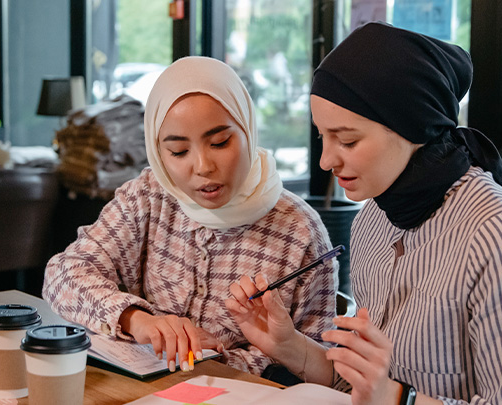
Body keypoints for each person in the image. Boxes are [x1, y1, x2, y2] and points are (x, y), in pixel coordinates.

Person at [226, 22, 502, 404]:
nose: (326, 159)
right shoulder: (372, 220)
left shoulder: (499, 234)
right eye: (323, 136)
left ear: (412, 126)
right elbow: (361, 388)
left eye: (348, 140)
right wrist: (288, 344)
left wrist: (399, 398)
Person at [43, 56, 338, 376]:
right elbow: (62, 274)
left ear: (249, 130)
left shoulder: (299, 231)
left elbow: (320, 368)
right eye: (179, 151)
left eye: (220, 142)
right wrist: (138, 320)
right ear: (158, 152)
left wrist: (219, 359)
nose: (203, 167)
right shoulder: (149, 197)